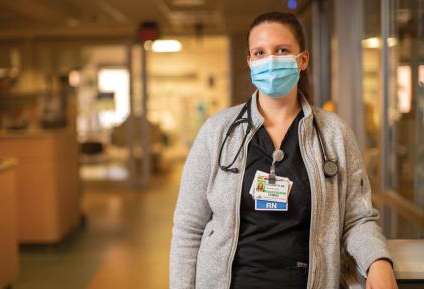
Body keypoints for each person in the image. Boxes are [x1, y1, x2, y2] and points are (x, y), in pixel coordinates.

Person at [170, 11, 398, 289]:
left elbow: (357, 218)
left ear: (302, 60)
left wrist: (378, 260)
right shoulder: (217, 132)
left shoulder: (334, 134)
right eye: (260, 52)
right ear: (250, 62)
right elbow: (188, 229)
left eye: (281, 50)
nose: (270, 60)